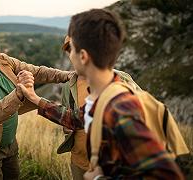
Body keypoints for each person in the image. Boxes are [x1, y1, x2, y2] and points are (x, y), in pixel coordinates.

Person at [17, 9, 184, 179]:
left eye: (72, 49)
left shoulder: (121, 107)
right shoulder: (99, 98)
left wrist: (98, 178)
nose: (69, 55)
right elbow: (75, 119)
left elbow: (164, 174)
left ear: (83, 56)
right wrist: (33, 98)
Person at [0, 23, 72, 180]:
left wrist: (67, 75)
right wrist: (20, 90)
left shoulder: (4, 61)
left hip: (11, 144)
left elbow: (37, 71)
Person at [57, 36, 141, 180]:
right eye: (69, 49)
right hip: (79, 161)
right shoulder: (68, 86)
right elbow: (68, 117)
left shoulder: (120, 78)